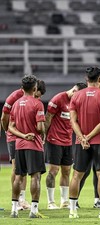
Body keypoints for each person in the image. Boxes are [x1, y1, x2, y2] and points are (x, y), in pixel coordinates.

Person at [68, 67, 100, 219]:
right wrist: (89, 137)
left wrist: (82, 137)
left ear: (86, 79)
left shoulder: (76, 96)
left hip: (80, 142)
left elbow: (73, 121)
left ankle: (72, 211)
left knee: (76, 175)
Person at [8, 75, 47, 218]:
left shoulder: (16, 104)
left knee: (18, 177)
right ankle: (33, 211)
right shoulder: (38, 104)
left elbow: (10, 127)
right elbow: (39, 127)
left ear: (22, 88)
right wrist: (42, 132)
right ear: (35, 88)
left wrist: (22, 135)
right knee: (35, 177)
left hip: (19, 145)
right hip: (34, 145)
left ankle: (14, 210)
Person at [44, 82, 87, 210]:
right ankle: (51, 202)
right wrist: (43, 136)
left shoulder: (76, 103)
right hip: (54, 140)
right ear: (74, 90)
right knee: (53, 171)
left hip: (67, 141)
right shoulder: (58, 99)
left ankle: (64, 202)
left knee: (67, 171)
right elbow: (48, 118)